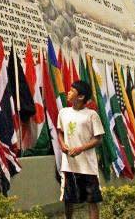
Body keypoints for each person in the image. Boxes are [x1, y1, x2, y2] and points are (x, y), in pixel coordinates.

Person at [57, 80, 104, 219]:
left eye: (72, 91)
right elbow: (60, 131)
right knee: (68, 199)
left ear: (81, 97)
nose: (68, 92)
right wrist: (62, 144)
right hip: (69, 165)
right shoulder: (63, 112)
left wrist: (80, 148)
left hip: (87, 166)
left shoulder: (91, 115)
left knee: (92, 200)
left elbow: (98, 138)